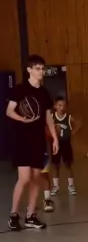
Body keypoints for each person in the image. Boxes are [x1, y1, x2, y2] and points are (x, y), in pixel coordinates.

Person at [6, 54, 59, 230]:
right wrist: (23, 119)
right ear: (29, 70)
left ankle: (31, 216)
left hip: (38, 140)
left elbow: (48, 117)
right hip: (21, 139)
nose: (41, 71)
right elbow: (9, 111)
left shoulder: (44, 93)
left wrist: (54, 137)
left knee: (36, 178)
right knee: (25, 178)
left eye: (42, 69)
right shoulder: (19, 89)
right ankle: (13, 214)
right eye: (37, 68)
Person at [51, 96, 80, 195]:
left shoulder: (68, 118)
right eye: (60, 105)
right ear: (55, 106)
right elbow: (46, 127)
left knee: (68, 165)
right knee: (55, 165)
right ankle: (56, 186)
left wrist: (72, 133)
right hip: (55, 144)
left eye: (64, 105)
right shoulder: (52, 117)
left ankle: (71, 186)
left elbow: (78, 125)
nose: (62, 107)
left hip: (66, 143)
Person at [41, 125, 55, 213]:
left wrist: (53, 133)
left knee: (44, 175)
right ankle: (31, 203)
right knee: (31, 177)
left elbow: (49, 135)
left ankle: (47, 200)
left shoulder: (43, 122)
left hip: (42, 152)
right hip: (29, 151)